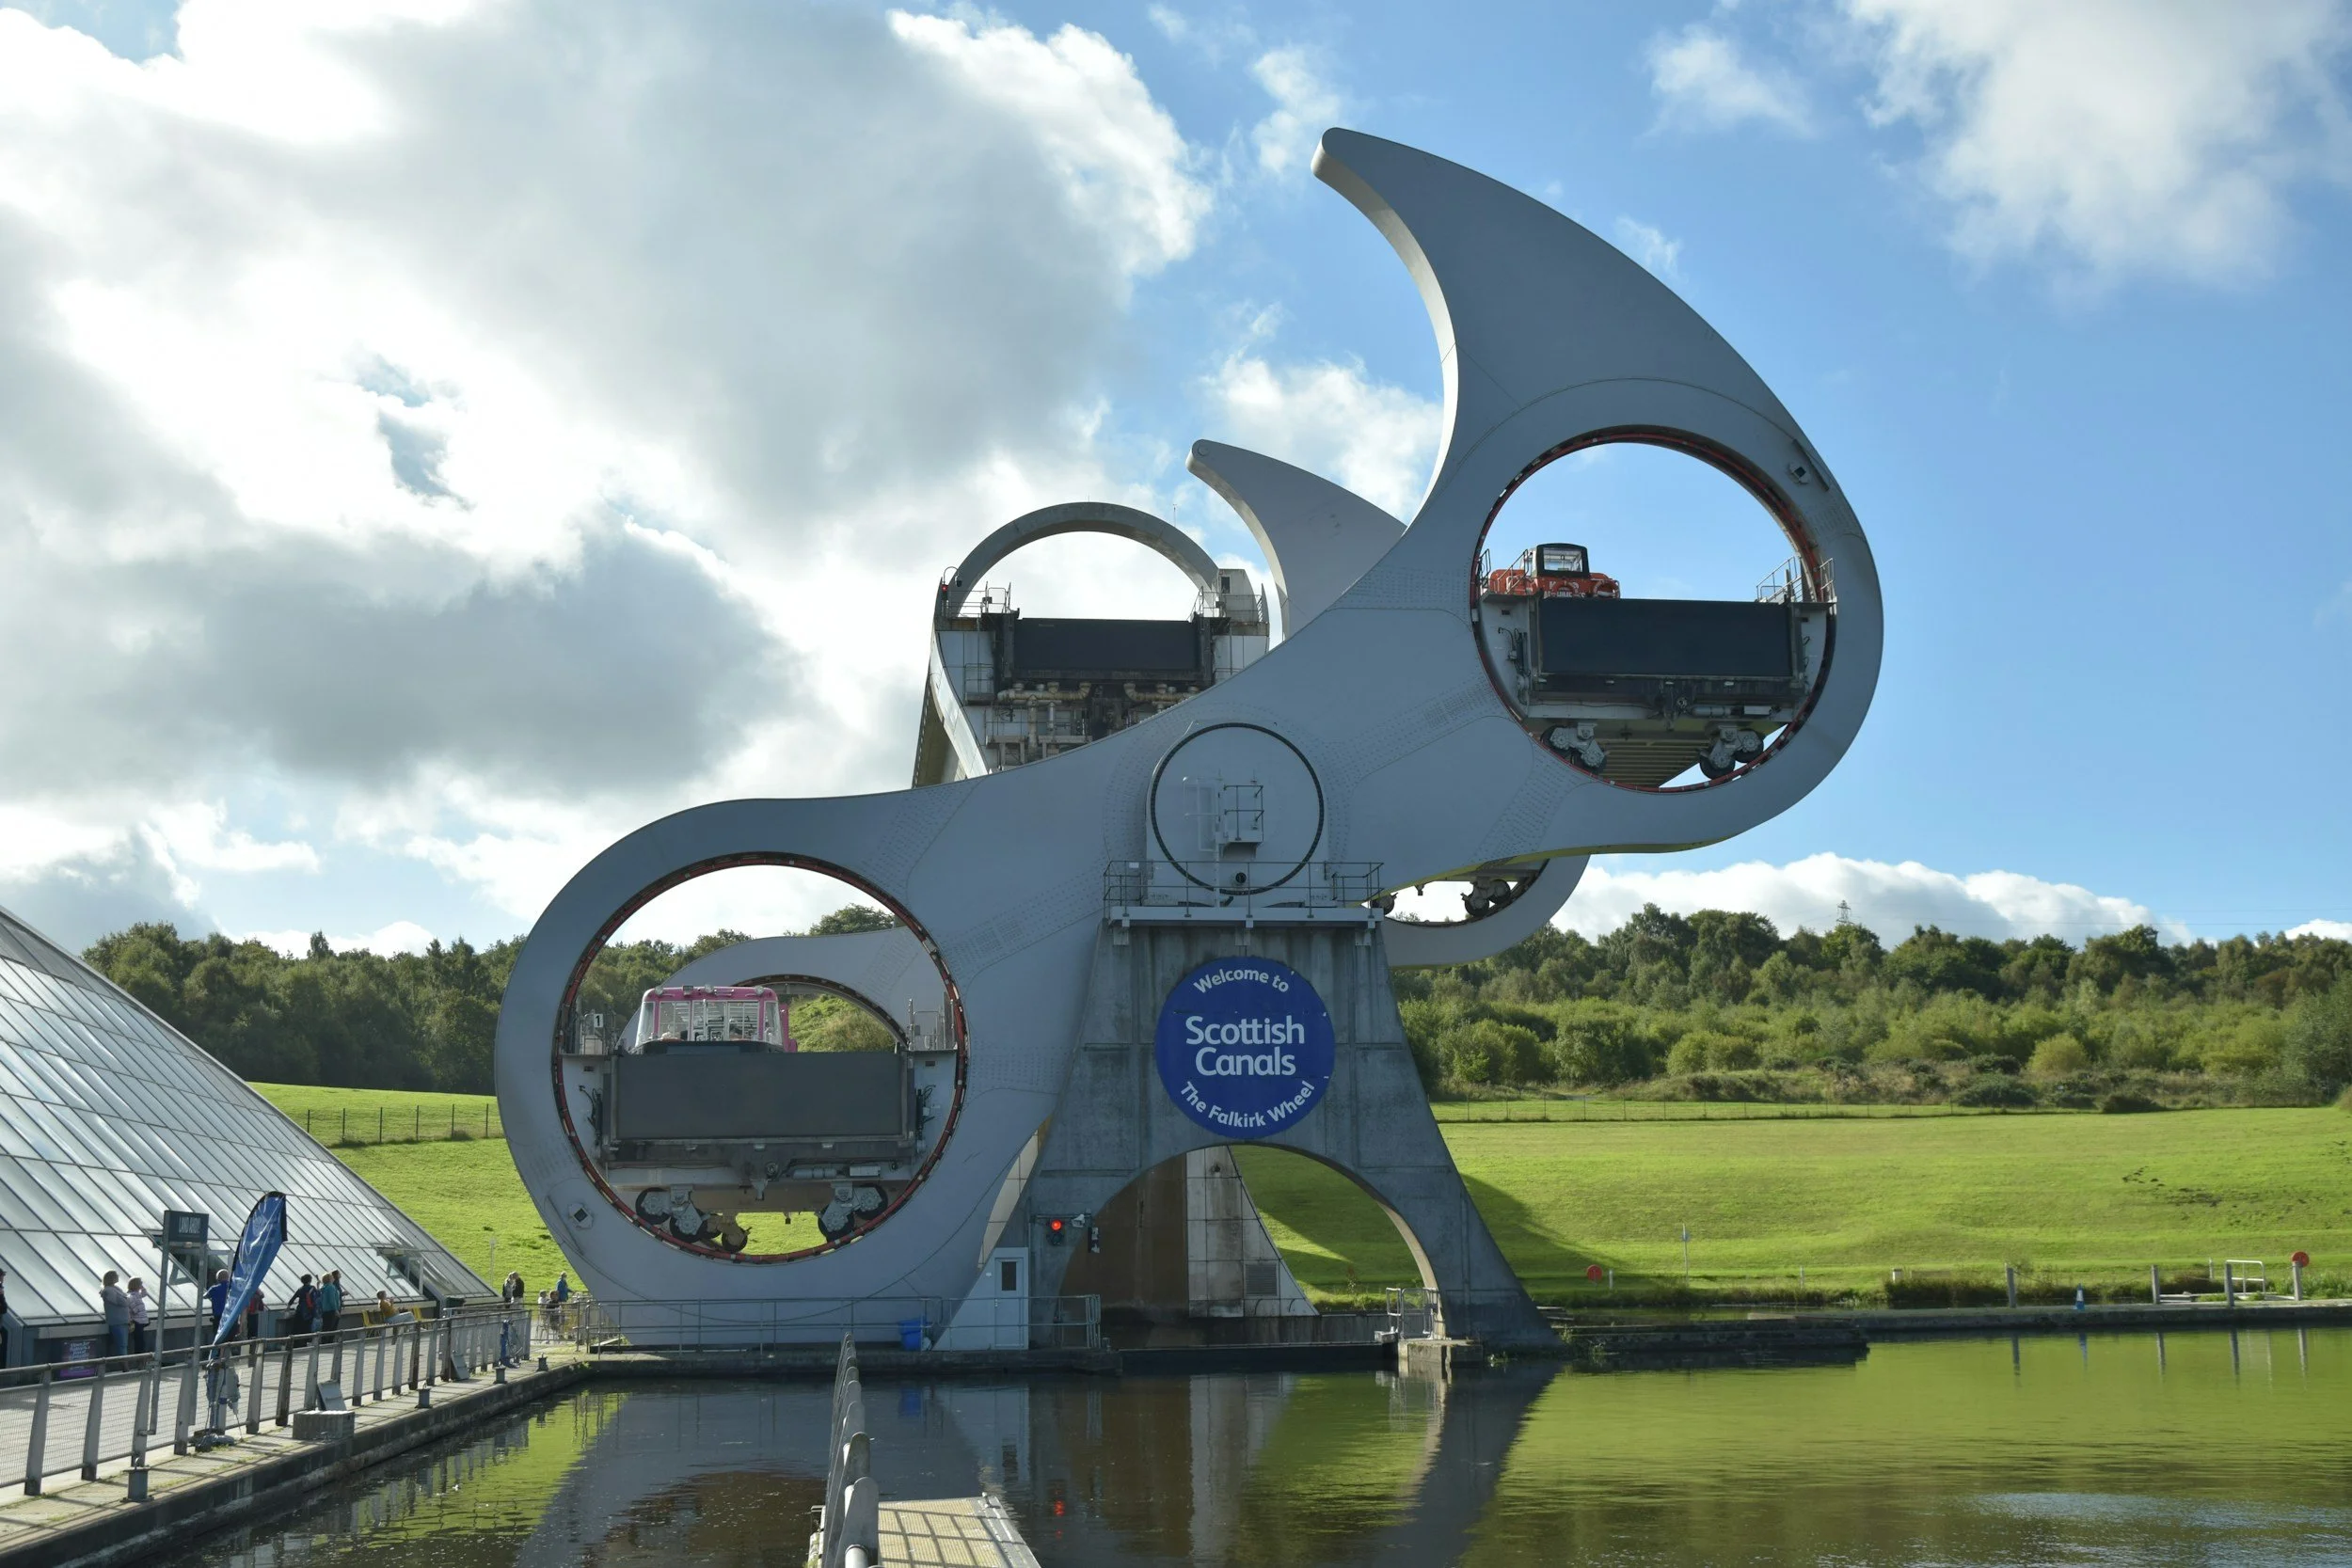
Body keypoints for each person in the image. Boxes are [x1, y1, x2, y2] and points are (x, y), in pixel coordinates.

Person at [100, 1271, 129, 1357]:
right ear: (111, 1278)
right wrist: (127, 1299)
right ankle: (125, 1368)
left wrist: (127, 1299)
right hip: (117, 1322)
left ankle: (125, 1366)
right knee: (121, 1346)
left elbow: (126, 1300)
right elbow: (123, 1302)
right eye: (117, 1275)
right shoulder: (108, 1290)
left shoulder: (116, 1288)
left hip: (123, 1321)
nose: (118, 1277)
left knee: (123, 1345)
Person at [286, 1274, 319, 1342]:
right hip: (309, 1311)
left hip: (300, 1311)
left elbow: (293, 1298)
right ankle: (305, 1343)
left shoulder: (300, 1289)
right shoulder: (312, 1288)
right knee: (307, 1328)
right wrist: (318, 1285)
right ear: (310, 1280)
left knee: (297, 1328)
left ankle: (296, 1343)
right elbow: (318, 1295)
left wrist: (288, 1307)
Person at [127, 1277, 151, 1355]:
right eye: (140, 1283)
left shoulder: (136, 1294)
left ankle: (141, 1359)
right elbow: (134, 1310)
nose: (142, 1285)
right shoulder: (132, 1296)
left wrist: (142, 1287)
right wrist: (139, 1308)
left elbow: (145, 1293)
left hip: (140, 1321)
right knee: (139, 1342)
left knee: (140, 1341)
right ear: (136, 1285)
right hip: (137, 1322)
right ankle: (140, 1359)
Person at [206, 1269, 230, 1340]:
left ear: (218, 1278)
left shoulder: (214, 1289)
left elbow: (205, 1296)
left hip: (218, 1317)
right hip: (230, 1316)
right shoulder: (231, 1288)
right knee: (228, 1336)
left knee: (217, 1336)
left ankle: (218, 1350)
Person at [318, 1271, 343, 1337]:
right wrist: (336, 1310)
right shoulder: (331, 1287)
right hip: (331, 1311)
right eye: (332, 1277)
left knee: (325, 1328)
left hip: (325, 1311)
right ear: (329, 1279)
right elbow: (332, 1300)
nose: (333, 1278)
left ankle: (324, 1343)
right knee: (331, 1329)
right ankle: (329, 1344)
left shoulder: (323, 1287)